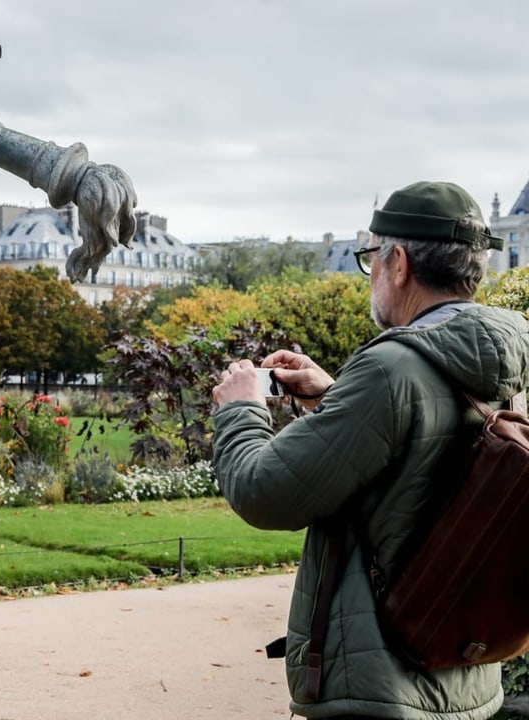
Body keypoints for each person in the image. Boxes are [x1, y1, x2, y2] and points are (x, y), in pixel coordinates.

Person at [211, 181, 529, 719]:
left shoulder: (390, 368)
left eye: (371, 260)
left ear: (398, 263)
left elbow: (265, 493)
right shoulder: (506, 364)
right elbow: (431, 463)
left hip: (380, 685)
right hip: (466, 673)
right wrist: (337, 396)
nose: (372, 275)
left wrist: (240, 409)